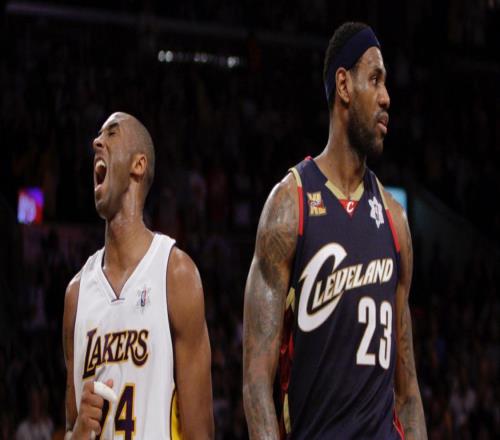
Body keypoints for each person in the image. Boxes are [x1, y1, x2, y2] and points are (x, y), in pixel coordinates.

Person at [243, 22, 427, 439]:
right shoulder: (289, 206)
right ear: (343, 85)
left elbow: (408, 393)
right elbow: (255, 381)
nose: (386, 97)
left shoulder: (394, 219)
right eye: (375, 79)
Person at [62, 112, 214, 439]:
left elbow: (200, 431)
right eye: (98, 135)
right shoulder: (76, 294)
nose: (97, 142)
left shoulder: (175, 274)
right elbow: (70, 426)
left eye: (112, 134)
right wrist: (77, 433)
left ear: (138, 165)